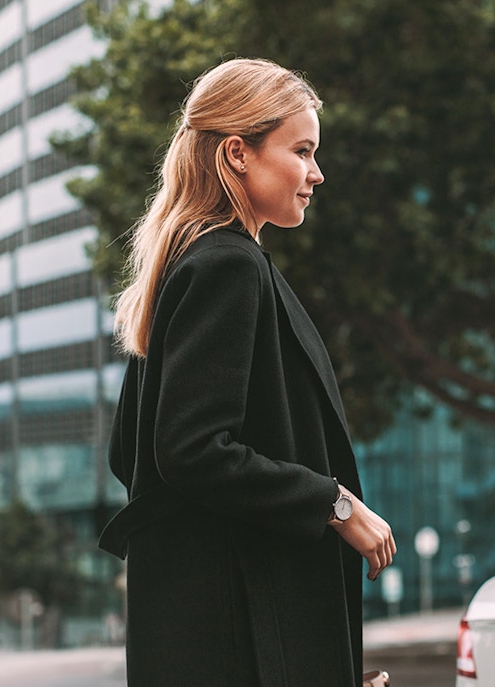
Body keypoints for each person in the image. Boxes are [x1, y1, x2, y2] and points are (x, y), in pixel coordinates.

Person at [96, 58, 397, 686]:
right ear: (237, 153)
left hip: (212, 631)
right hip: (242, 641)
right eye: (302, 151)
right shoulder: (226, 267)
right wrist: (335, 504)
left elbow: (132, 453)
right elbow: (190, 450)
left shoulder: (192, 262)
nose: (316, 173)